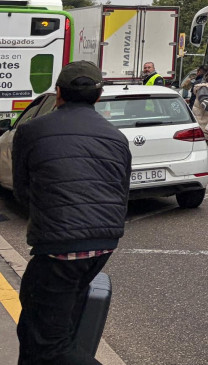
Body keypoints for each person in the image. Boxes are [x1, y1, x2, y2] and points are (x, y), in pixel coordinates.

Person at [12, 61, 132, 364]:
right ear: (98, 96)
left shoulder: (30, 131)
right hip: (104, 242)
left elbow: (22, 191)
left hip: (60, 246)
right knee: (39, 319)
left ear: (58, 93)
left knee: (48, 343)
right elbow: (121, 190)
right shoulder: (116, 137)